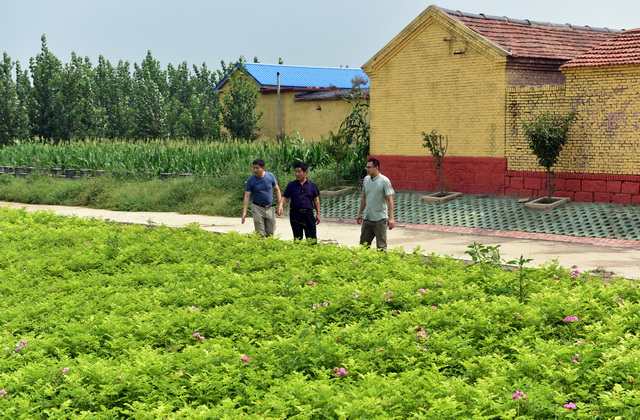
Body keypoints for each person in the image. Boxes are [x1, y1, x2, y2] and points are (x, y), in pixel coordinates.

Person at [356, 158, 395, 250]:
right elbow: (365, 197)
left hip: (379, 219)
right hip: (367, 218)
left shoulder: (384, 181)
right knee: (363, 246)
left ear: (376, 167)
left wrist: (391, 218)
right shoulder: (366, 179)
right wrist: (360, 213)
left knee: (381, 247)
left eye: (369, 167)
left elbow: (390, 199)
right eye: (366, 167)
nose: (367, 169)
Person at [278, 162, 321, 241]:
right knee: (297, 238)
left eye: (299, 172)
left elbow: (316, 199)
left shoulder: (312, 185)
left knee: (311, 237)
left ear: (305, 172)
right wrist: (280, 206)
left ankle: (312, 252)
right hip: (295, 214)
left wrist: (318, 214)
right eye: (295, 172)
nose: (296, 174)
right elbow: (285, 197)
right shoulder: (291, 185)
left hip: (308, 213)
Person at [242, 159, 281, 237]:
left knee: (271, 232)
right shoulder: (251, 180)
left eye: (257, 168)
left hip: (270, 208)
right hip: (257, 208)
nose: (255, 170)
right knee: (260, 234)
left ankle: (269, 248)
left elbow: (277, 190)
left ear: (263, 168)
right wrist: (244, 212)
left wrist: (280, 205)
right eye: (254, 168)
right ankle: (260, 248)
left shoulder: (270, 176)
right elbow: (247, 196)